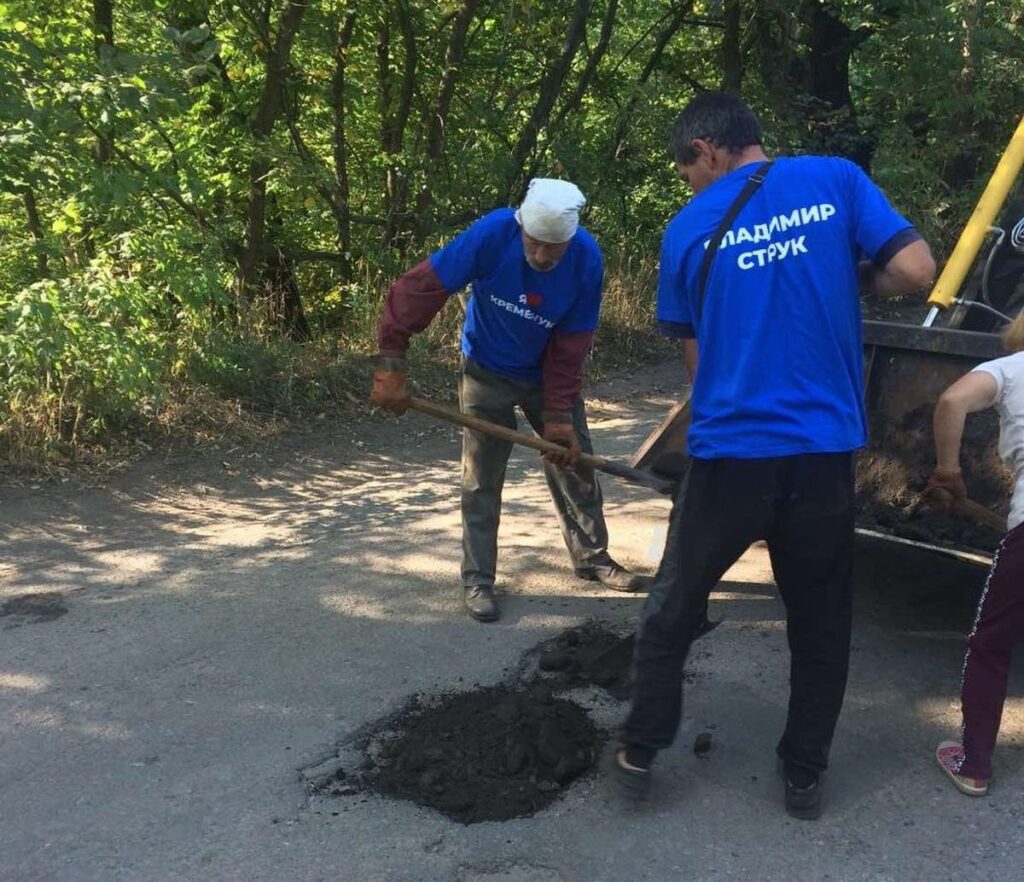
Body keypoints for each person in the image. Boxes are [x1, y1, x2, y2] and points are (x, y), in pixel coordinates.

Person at [608, 92, 936, 819]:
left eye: (685, 168)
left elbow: (699, 368)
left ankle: (639, 749)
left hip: (732, 453)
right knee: (820, 617)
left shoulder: (688, 229)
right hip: (823, 453)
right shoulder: (836, 180)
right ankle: (804, 774)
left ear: (706, 149)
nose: (690, 184)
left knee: (674, 605)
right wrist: (844, 275)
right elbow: (918, 274)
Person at [370, 178, 652, 623]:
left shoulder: (585, 260)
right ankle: (478, 579)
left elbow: (571, 344)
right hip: (486, 370)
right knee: (481, 477)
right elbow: (416, 290)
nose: (541, 257)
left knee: (574, 461)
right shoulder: (492, 234)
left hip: (546, 374)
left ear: (570, 241)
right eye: (534, 244)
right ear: (522, 227)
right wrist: (391, 365)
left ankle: (593, 558)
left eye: (552, 249)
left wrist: (559, 415)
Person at [926, 310, 1024, 798]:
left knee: (990, 645)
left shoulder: (1011, 368)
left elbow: (951, 401)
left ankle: (974, 763)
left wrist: (948, 472)